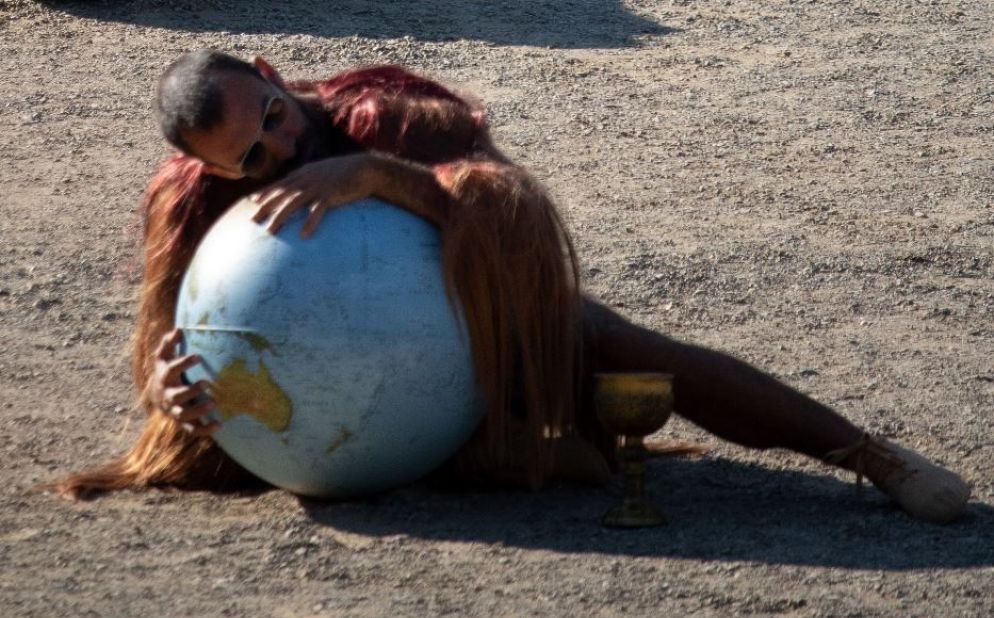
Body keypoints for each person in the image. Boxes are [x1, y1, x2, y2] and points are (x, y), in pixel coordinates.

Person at [52, 50, 970, 523]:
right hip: (358, 407)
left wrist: (378, 174)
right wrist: (177, 395)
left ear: (270, 74)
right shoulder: (190, 208)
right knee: (346, 480)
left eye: (277, 122)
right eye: (250, 157)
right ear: (207, 164)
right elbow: (180, 343)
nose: (279, 152)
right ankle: (522, 456)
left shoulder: (384, 110)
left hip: (489, 326)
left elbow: (515, 229)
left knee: (624, 348)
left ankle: (873, 459)